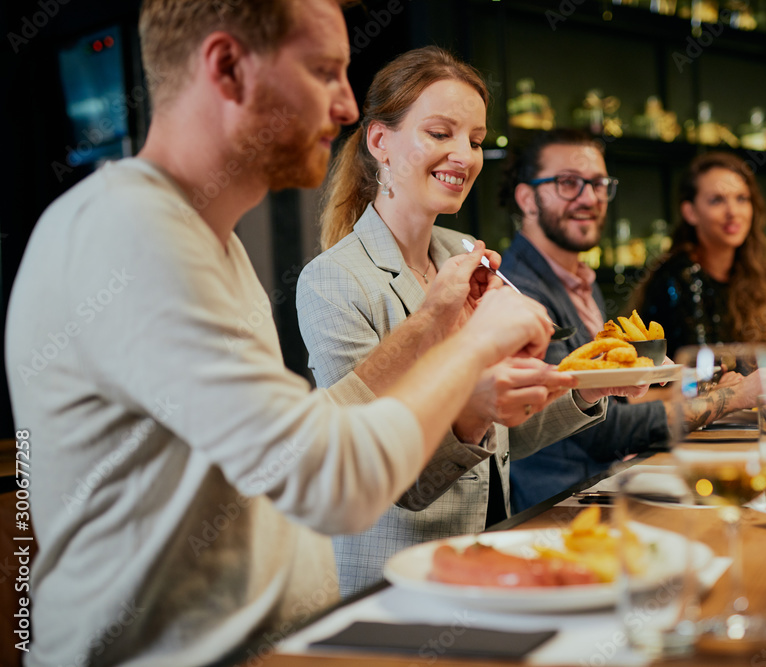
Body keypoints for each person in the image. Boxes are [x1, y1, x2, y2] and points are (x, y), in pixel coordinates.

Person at [3, 3, 557, 666]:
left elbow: (297, 440)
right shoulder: (128, 233)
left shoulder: (211, 241)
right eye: (325, 72)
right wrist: (475, 345)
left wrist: (434, 321)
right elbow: (334, 482)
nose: (350, 107)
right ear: (229, 68)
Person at [297, 48, 643, 596]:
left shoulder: (465, 254)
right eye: (440, 133)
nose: (464, 155)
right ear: (380, 142)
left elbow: (505, 436)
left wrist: (585, 388)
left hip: (495, 549)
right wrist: (469, 401)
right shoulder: (333, 282)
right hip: (402, 579)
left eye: (477, 141)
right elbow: (376, 474)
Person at [498, 129, 766, 512]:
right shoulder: (518, 289)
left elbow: (619, 400)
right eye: (569, 183)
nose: (589, 197)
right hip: (558, 508)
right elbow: (602, 431)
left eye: (598, 183)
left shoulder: (578, 281)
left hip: (611, 483)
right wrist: (733, 396)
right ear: (527, 198)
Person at [631, 151, 766, 356]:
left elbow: (765, 358)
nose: (733, 212)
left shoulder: (754, 271)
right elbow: (703, 376)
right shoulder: (680, 275)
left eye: (742, 199)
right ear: (690, 212)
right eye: (717, 200)